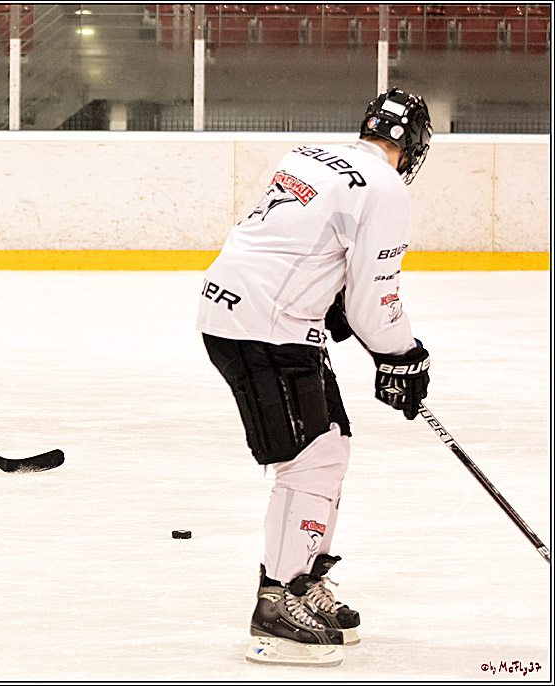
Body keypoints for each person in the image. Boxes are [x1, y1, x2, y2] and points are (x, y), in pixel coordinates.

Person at [196, 88, 433, 666]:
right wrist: (402, 355)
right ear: (415, 144)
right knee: (312, 459)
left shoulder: (307, 155)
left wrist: (329, 300)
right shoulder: (386, 188)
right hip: (264, 325)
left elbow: (289, 241)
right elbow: (376, 299)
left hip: (249, 311)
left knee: (331, 445)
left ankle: (302, 582)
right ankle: (276, 600)